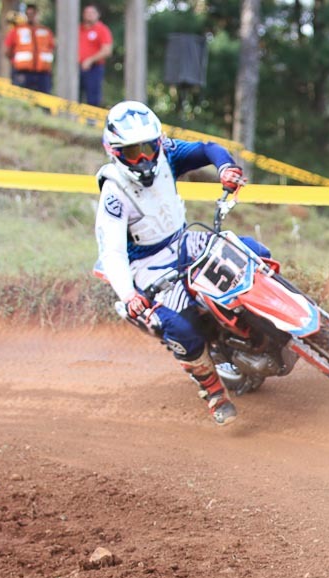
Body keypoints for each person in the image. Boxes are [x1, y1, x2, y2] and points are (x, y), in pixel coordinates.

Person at [93, 101, 250, 426]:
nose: (144, 158)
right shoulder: (113, 193)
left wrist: (225, 168)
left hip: (184, 240)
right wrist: (129, 295)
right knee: (179, 327)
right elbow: (112, 252)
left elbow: (207, 148)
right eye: (133, 152)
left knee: (252, 251)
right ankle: (214, 392)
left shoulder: (167, 154)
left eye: (149, 147)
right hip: (147, 266)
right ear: (115, 152)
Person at [4, 4, 55, 94]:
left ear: (37, 14)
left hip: (43, 74)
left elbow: (52, 48)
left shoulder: (46, 31)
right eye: (28, 14)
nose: (31, 16)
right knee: (21, 98)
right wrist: (15, 63)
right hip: (23, 72)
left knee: (44, 98)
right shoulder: (17, 30)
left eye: (33, 14)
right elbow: (8, 50)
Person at [78, 4, 112, 106]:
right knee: (75, 96)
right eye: (87, 12)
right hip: (77, 67)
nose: (89, 15)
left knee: (93, 98)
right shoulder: (78, 29)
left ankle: (92, 116)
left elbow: (107, 51)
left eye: (92, 12)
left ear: (98, 15)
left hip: (94, 68)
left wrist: (90, 60)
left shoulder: (102, 29)